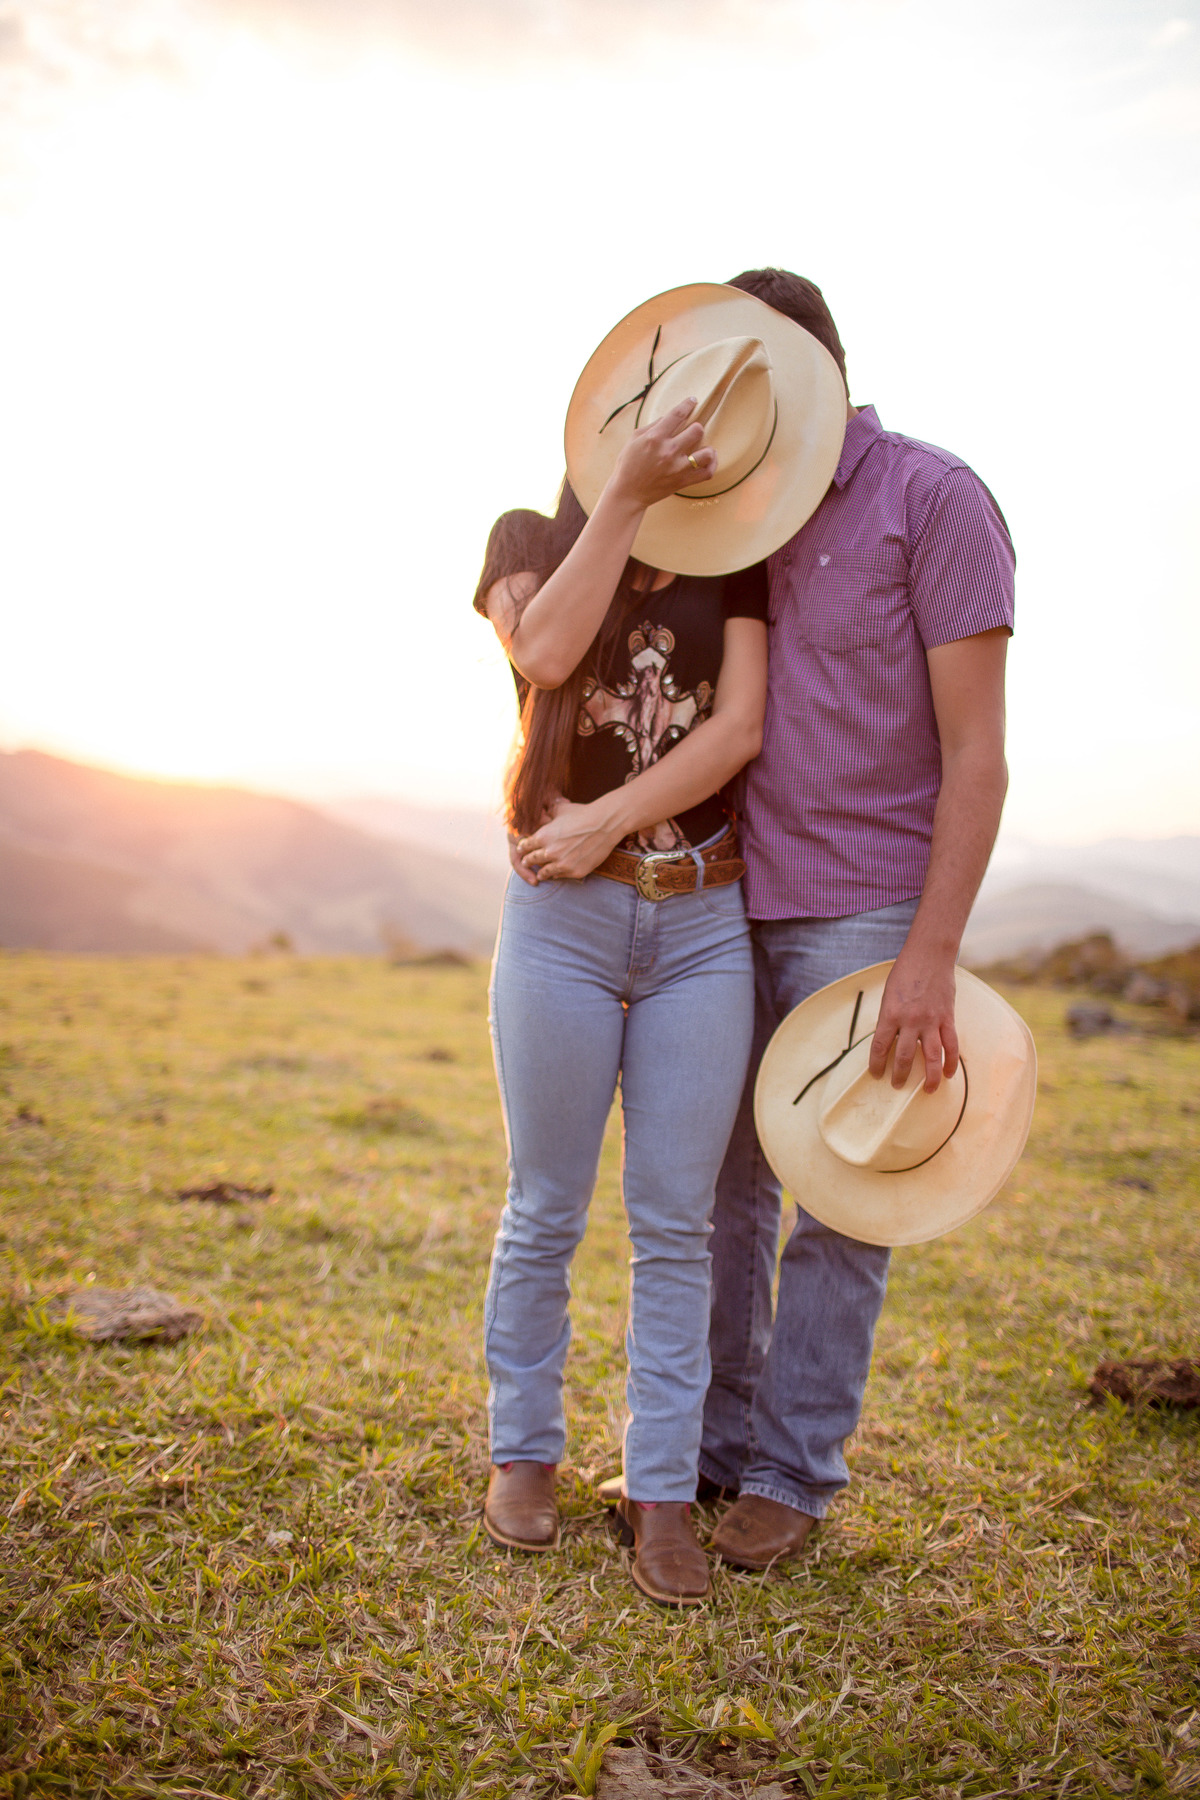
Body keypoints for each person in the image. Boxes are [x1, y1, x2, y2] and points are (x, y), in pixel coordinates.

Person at [696, 268, 1016, 1571]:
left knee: (842, 1199)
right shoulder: (729, 522)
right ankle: (714, 1449)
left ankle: (792, 1473)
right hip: (728, 902)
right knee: (721, 1189)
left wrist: (931, 957)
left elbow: (979, 756)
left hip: (870, 909)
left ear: (820, 371)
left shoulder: (934, 498)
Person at [474, 394, 770, 1606]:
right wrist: (629, 499)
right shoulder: (524, 543)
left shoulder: (737, 553)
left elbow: (739, 727)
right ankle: (523, 1457)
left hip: (701, 920)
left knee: (675, 1226)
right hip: (565, 925)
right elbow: (544, 654)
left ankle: (660, 1498)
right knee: (545, 1205)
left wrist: (604, 819)